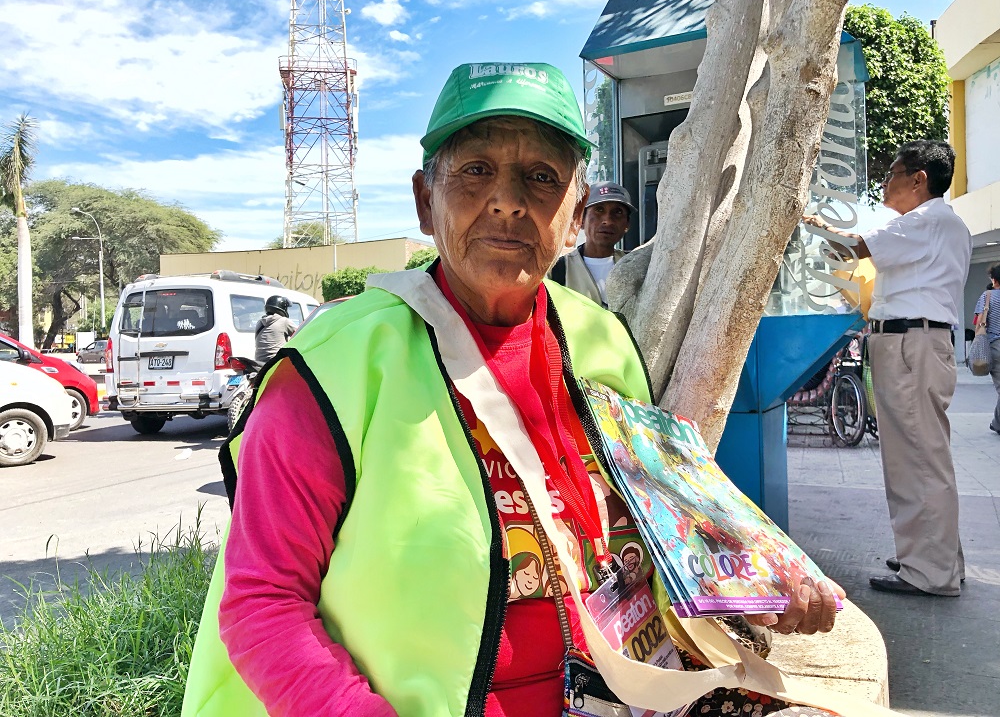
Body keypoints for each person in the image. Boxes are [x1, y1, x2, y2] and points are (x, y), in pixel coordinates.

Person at [183, 61, 843, 717]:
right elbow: (263, 606)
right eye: (475, 171)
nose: (506, 200)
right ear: (424, 200)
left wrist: (743, 581)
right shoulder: (334, 368)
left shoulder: (600, 341)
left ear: (575, 214)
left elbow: (654, 518)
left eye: (541, 178)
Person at [804, 140, 972, 597]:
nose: (885, 182)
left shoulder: (925, 220)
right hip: (917, 342)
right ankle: (934, 558)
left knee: (915, 459)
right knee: (925, 456)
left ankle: (929, 573)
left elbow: (854, 248)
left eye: (893, 172)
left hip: (909, 345)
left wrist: (810, 219)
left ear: (920, 179)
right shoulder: (938, 225)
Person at [548, 180, 631, 307]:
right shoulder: (557, 271)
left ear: (627, 224)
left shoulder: (634, 266)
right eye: (599, 210)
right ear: (581, 220)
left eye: (618, 212)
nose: (608, 221)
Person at [973, 263, 1000, 434]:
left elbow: (978, 321)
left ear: (994, 279)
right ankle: (997, 423)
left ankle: (997, 423)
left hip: (995, 344)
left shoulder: (988, 295)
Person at [253, 295, 297, 365]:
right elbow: (300, 334)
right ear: (282, 308)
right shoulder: (284, 321)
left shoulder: (260, 323)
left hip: (259, 363)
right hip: (276, 363)